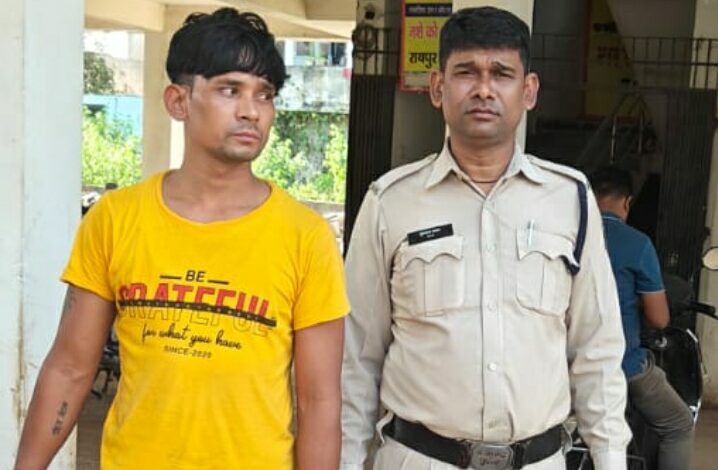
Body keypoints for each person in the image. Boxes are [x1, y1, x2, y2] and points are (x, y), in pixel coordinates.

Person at [15, 8, 349, 470]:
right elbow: (70, 368)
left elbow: (319, 402)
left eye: (265, 94)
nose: (251, 111)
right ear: (178, 101)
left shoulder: (306, 237)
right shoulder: (116, 218)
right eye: (230, 90)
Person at [341, 7, 630, 470]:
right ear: (438, 87)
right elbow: (356, 358)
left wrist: (610, 459)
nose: (483, 89)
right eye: (466, 72)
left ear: (528, 91)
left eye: (501, 73)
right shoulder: (390, 202)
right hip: (420, 460)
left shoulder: (570, 199)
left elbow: (596, 349)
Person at [591, 166, 694, 470]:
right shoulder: (637, 244)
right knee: (679, 425)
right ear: (627, 202)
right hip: (622, 367)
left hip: (562, 366)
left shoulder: (567, 237)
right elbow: (659, 319)